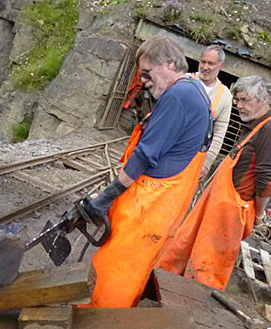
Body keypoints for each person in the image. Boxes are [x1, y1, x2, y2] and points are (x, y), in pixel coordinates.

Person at [82, 36, 212, 308]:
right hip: (163, 199)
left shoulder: (179, 95)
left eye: (147, 73)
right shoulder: (195, 91)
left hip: (152, 201)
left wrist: (108, 195)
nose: (143, 80)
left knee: (119, 261)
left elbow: (146, 153)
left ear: (169, 64)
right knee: (134, 262)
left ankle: (101, 318)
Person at [157, 76, 271, 290]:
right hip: (219, 205)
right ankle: (167, 288)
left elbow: (267, 176)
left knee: (207, 266)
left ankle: (194, 303)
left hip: (230, 211)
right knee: (185, 248)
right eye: (237, 101)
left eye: (244, 100)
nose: (239, 106)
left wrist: (260, 213)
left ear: (264, 98)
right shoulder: (257, 126)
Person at [189, 45, 232, 180]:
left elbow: (219, 133)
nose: (205, 67)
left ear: (221, 66)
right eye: (203, 61)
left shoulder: (225, 96)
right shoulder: (184, 80)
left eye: (211, 63)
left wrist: (207, 162)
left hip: (194, 156)